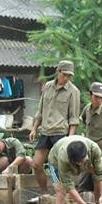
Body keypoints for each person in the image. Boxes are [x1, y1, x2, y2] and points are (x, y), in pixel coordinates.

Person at [28, 60, 81, 190]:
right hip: (45, 132)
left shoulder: (73, 91)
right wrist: (34, 128)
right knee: (36, 164)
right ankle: (44, 192)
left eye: (69, 76)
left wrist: (70, 138)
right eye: (64, 75)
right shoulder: (47, 86)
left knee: (55, 166)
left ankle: (60, 193)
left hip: (61, 133)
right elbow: (41, 110)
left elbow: (74, 119)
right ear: (58, 71)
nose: (66, 78)